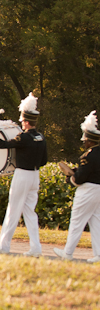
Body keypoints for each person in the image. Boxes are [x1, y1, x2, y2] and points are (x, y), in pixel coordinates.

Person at [0, 92, 48, 257]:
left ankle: (4, 245)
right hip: (35, 176)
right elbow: (44, 161)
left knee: (13, 210)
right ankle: (36, 248)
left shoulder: (24, 137)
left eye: (22, 121)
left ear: (26, 122)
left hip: (22, 176)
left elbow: (1, 144)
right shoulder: (41, 137)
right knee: (30, 213)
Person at [53, 111, 100, 263]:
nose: (84, 142)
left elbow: (79, 179)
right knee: (96, 222)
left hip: (87, 191)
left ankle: (68, 253)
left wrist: (70, 178)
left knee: (77, 221)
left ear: (91, 141)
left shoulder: (88, 156)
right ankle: (99, 254)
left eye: (85, 140)